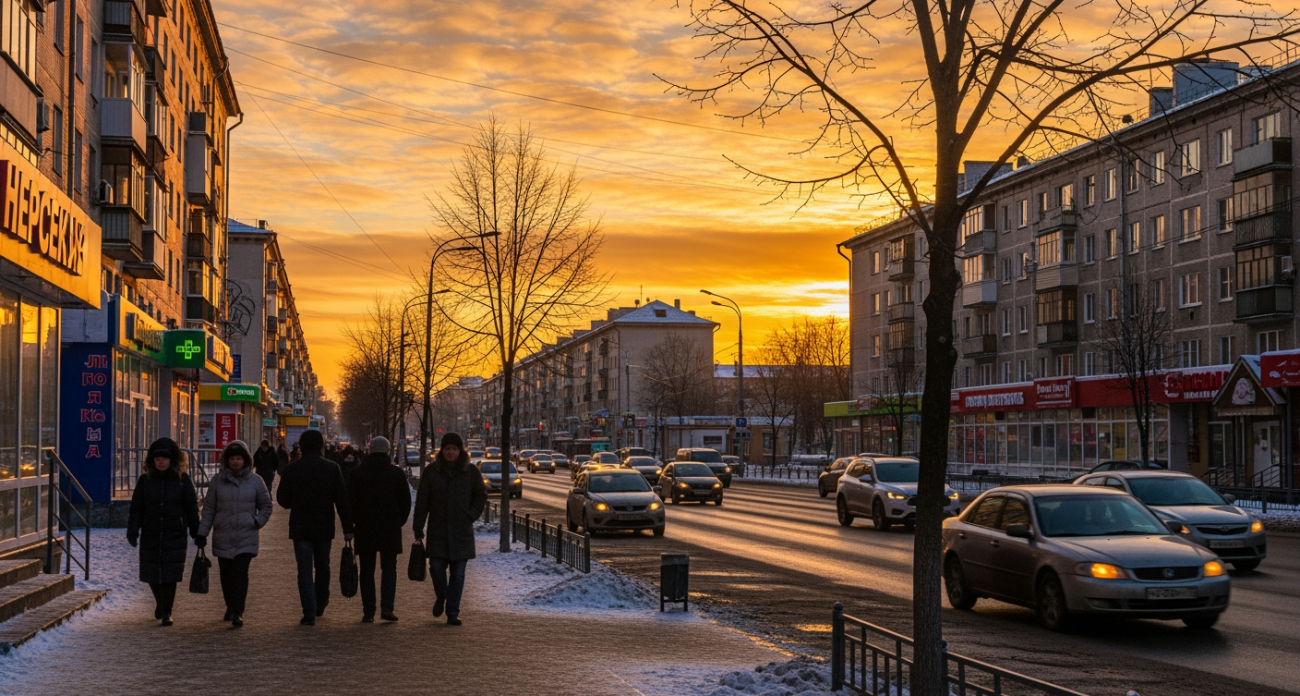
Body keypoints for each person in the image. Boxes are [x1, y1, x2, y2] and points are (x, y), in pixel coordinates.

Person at [276, 429, 353, 625]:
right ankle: (320, 601)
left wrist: (298, 500)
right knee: (322, 565)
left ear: (301, 446)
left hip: (300, 526)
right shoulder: (332, 468)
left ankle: (308, 611)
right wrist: (347, 528)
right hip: (324, 525)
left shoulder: (293, 469)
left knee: (304, 569)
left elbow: (282, 500)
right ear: (321, 446)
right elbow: (342, 500)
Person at [196, 440, 273, 627]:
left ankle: (238, 611)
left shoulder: (256, 481)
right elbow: (209, 510)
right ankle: (230, 606)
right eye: (232, 458)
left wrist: (257, 521)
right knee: (226, 575)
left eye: (239, 458)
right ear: (227, 460)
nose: (236, 462)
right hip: (223, 535)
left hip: (246, 536)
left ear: (246, 460)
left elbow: (266, 506)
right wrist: (202, 533)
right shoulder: (217, 481)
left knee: (240, 574)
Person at [412, 432, 486, 626]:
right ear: (442, 450)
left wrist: (470, 515)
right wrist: (418, 528)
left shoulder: (470, 471)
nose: (451, 452)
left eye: (454, 449)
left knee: (458, 574)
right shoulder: (432, 471)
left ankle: (452, 612)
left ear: (460, 450)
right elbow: (422, 501)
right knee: (436, 569)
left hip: (461, 532)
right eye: (447, 449)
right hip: (438, 530)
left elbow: (480, 495)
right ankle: (442, 596)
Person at [126, 438, 200, 626]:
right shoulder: (145, 481)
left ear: (173, 460)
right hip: (151, 531)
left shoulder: (182, 480)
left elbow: (191, 507)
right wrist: (133, 530)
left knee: (170, 574)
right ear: (152, 460)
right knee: (152, 572)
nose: (161, 462)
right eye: (158, 458)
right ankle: (161, 602)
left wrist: (196, 531)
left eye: (165, 458)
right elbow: (137, 508)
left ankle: (167, 611)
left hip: (174, 532)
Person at [346, 436, 411, 623]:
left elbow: (350, 502)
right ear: (388, 452)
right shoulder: (397, 474)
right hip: (390, 529)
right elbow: (405, 502)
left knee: (367, 570)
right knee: (389, 569)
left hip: (365, 528)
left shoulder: (358, 473)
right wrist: (398, 521)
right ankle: (387, 609)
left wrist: (352, 524)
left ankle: (368, 611)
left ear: (369, 451)